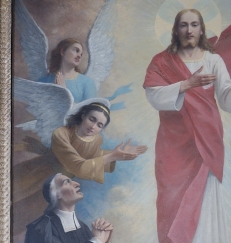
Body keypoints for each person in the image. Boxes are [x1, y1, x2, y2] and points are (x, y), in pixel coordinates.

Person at [143, 9, 231, 243]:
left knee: (201, 198)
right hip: (174, 138)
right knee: (170, 197)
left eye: (194, 25)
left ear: (202, 29)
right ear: (176, 30)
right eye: (183, 25)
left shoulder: (213, 60)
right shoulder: (162, 61)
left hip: (206, 136)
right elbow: (154, 96)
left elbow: (226, 99)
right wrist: (185, 85)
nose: (189, 30)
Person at [12, 98, 147, 234]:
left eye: (99, 125)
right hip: (38, 173)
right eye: (92, 119)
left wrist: (119, 154)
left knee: (25, 214)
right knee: (12, 193)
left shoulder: (95, 140)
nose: (93, 126)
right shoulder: (62, 133)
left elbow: (93, 156)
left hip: (59, 188)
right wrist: (112, 156)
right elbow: (78, 166)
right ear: (83, 115)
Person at [37, 38, 97, 102]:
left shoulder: (87, 82)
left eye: (81, 54)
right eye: (76, 51)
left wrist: (65, 95)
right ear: (62, 52)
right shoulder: (44, 81)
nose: (79, 56)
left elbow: (91, 107)